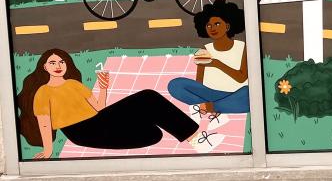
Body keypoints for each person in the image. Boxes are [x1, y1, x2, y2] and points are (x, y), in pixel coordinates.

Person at [17, 49, 218, 159]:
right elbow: (44, 122)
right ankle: (196, 138)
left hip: (98, 120)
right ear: (44, 67)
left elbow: (98, 107)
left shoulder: (73, 84)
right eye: (53, 63)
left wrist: (104, 88)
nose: (58, 66)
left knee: (153, 129)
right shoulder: (43, 92)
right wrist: (48, 150)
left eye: (61, 62)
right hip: (80, 132)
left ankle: (197, 130)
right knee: (148, 99)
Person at [168, 0, 250, 130]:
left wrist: (216, 63)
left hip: (237, 93)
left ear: (227, 26)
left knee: (249, 95)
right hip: (210, 93)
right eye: (209, 25)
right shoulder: (205, 50)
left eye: (217, 23)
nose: (213, 28)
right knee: (175, 85)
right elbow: (199, 82)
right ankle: (214, 106)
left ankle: (212, 107)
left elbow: (241, 78)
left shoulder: (243, 47)